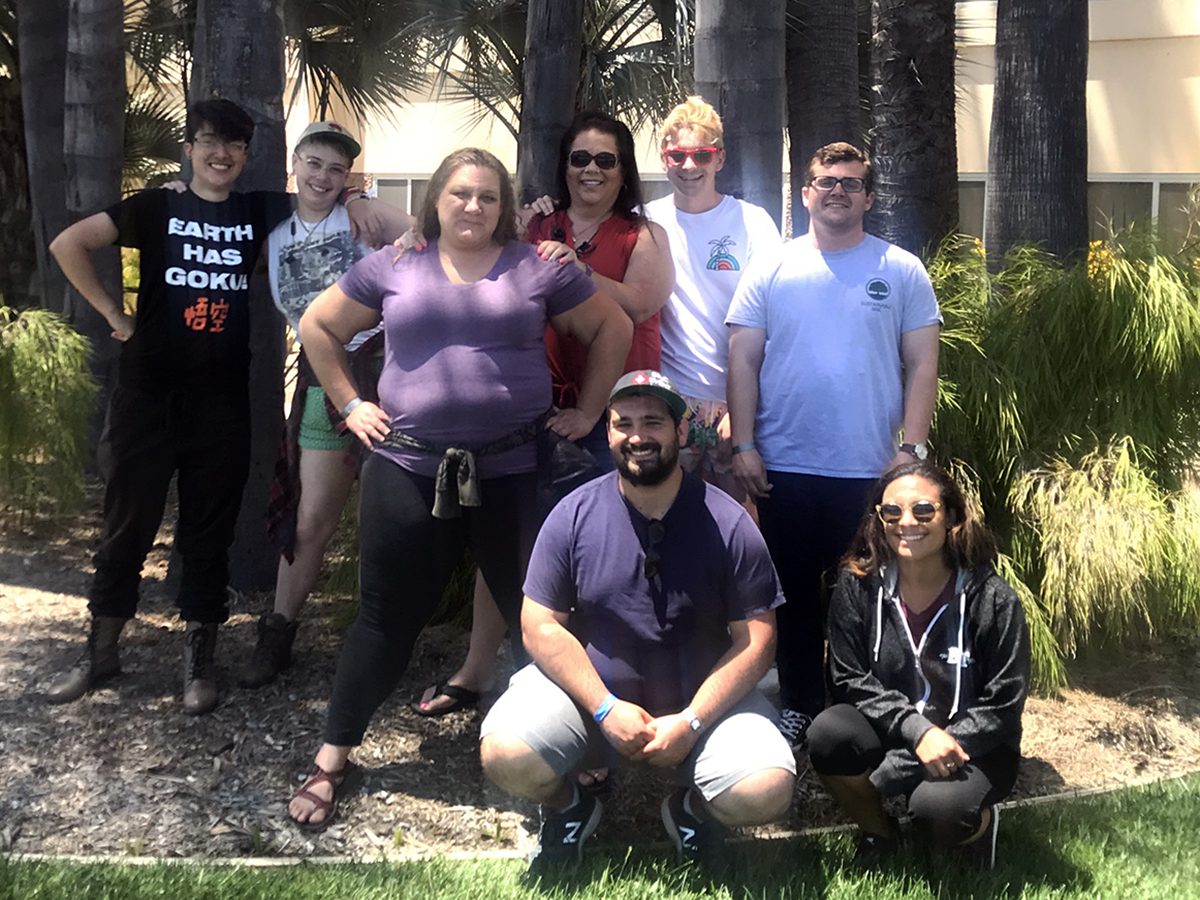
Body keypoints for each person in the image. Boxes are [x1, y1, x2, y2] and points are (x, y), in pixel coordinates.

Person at [286, 147, 632, 830]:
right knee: (385, 621)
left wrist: (590, 412)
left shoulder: (537, 266)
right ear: (436, 200)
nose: (472, 206)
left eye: (487, 196)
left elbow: (612, 327)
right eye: (459, 194)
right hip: (407, 469)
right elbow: (318, 326)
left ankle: (584, 746)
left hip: (515, 473)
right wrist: (351, 403)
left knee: (542, 621)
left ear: (504, 207)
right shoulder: (393, 264)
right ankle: (332, 757)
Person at [44, 100, 372, 716]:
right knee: (126, 526)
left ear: (247, 157)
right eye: (209, 142)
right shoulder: (155, 204)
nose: (221, 155)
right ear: (190, 148)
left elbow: (321, 196)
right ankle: (99, 651)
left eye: (234, 146)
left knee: (207, 532)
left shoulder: (257, 210)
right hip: (147, 395)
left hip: (221, 400)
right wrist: (115, 315)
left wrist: (353, 198)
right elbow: (70, 243)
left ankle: (200, 663)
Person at [413, 111, 674, 718]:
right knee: (509, 547)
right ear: (564, 164)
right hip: (537, 410)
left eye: (605, 160)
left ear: (623, 170)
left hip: (614, 414)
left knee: (614, 549)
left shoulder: (645, 235)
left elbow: (638, 305)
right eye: (579, 158)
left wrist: (578, 268)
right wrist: (413, 238)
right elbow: (470, 252)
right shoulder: (532, 223)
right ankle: (477, 672)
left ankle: (613, 683)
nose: (590, 170)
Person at [480, 370, 796, 871]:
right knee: (506, 753)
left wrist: (692, 722)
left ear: (681, 432)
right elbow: (538, 625)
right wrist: (605, 708)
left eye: (653, 422)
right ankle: (569, 810)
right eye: (622, 423)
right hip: (593, 701)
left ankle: (690, 812)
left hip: (701, 706)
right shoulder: (572, 514)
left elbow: (757, 642)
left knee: (765, 790)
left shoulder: (730, 521)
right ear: (607, 434)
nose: (637, 436)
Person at [725, 141, 942, 748]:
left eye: (850, 183)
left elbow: (922, 363)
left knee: (864, 596)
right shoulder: (771, 267)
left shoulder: (899, 269)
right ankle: (798, 701)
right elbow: (742, 357)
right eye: (825, 181)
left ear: (869, 197)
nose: (837, 191)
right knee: (790, 597)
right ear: (805, 193)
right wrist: (744, 443)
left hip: (869, 471)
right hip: (783, 467)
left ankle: (855, 710)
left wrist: (913, 453)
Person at [241, 121, 414, 688]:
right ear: (296, 162)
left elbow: (436, 242)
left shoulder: (368, 216)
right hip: (323, 378)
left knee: (388, 514)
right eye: (314, 163)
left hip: (389, 368)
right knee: (312, 516)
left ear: (348, 177)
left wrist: (365, 200)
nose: (323, 176)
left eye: (336, 169)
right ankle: (279, 631)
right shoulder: (270, 231)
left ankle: (385, 638)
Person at [807, 462, 1030, 870]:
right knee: (828, 734)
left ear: (952, 517)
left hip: (974, 747)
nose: (906, 522)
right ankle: (881, 836)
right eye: (891, 512)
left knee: (937, 811)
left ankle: (977, 825)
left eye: (923, 511)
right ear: (879, 519)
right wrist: (917, 732)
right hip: (897, 730)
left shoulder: (993, 600)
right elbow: (847, 677)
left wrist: (928, 750)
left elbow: (1004, 703)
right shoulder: (857, 588)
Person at [644, 97, 781, 502]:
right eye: (678, 155)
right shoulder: (645, 220)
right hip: (670, 401)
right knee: (666, 522)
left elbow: (775, 320)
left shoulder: (753, 222)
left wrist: (743, 413)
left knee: (741, 526)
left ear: (719, 159)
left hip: (737, 402)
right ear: (665, 158)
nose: (689, 166)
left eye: (701, 154)